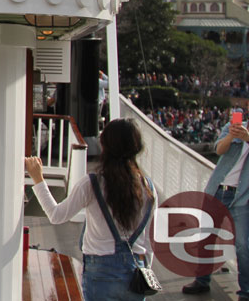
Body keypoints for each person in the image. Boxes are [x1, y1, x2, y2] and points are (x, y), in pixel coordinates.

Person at [25, 118, 157, 300]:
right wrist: (144, 268)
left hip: (100, 271)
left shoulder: (92, 184)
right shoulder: (148, 187)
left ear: (105, 146)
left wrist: (38, 178)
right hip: (136, 273)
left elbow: (56, 215)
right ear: (137, 147)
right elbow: (150, 241)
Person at [182, 110, 249, 296]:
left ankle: (246, 290)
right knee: (206, 237)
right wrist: (233, 137)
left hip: (241, 197)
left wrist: (248, 138)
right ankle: (202, 281)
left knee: (243, 244)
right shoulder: (232, 126)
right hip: (218, 190)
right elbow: (218, 149)